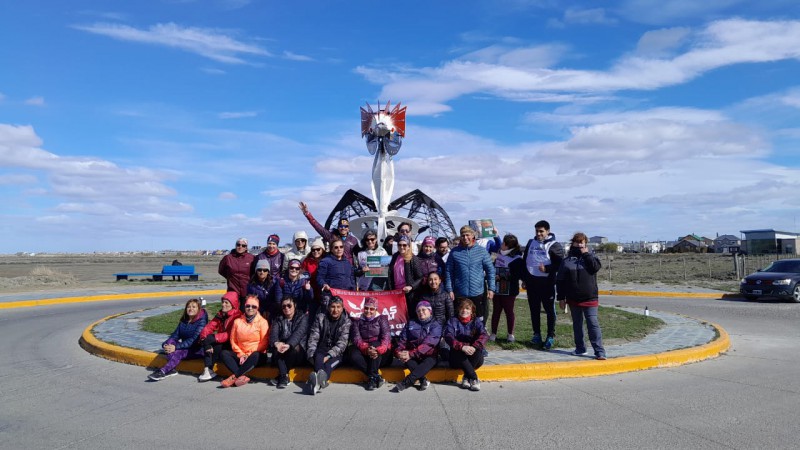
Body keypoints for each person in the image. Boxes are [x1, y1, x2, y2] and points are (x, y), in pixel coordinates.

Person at [557, 232, 606, 360]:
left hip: (590, 298)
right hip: (573, 299)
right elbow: (560, 281)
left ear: (585, 243)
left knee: (593, 323)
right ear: (572, 243)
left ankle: (599, 351)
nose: (580, 244)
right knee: (577, 325)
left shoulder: (591, 257)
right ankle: (580, 348)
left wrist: (586, 254)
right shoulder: (566, 261)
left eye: (582, 242)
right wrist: (561, 298)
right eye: (577, 242)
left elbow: (595, 268)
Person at [522, 220, 565, 350]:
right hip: (532, 282)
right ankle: (536, 334)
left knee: (549, 311)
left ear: (548, 231)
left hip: (547, 283)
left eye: (541, 231)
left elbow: (560, 264)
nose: (539, 233)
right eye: (537, 231)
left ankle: (550, 336)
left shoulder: (555, 245)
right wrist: (524, 278)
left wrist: (547, 269)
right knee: (534, 310)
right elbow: (525, 261)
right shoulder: (531, 243)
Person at [445, 225, 495, 323]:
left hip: (478, 292)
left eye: (467, 235)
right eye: (463, 235)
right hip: (460, 292)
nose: (465, 238)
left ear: (473, 236)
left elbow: (490, 270)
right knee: (461, 316)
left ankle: (479, 335)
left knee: (479, 317)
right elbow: (448, 271)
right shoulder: (454, 252)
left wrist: (491, 288)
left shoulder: (481, 251)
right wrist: (449, 289)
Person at [149, 299, 208, 381]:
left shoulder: (202, 322)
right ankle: (171, 369)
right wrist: (165, 344)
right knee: (170, 342)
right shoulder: (184, 320)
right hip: (185, 346)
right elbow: (175, 335)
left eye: (194, 307)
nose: (191, 309)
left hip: (197, 349)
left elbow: (193, 340)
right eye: (189, 307)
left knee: (178, 352)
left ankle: (162, 371)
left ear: (199, 309)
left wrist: (175, 347)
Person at [219, 295, 269, 388]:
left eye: (254, 306)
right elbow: (233, 340)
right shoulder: (237, 321)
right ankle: (241, 377)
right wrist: (241, 354)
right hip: (241, 356)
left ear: (257, 308)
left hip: (255, 356)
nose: (250, 308)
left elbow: (264, 343)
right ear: (244, 306)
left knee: (256, 355)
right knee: (224, 353)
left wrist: (248, 355)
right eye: (248, 306)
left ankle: (234, 376)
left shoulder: (263, 322)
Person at [392, 301, 442, 392]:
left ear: (430, 311)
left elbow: (428, 344)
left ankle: (407, 382)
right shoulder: (411, 323)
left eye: (423, 310)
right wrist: (399, 352)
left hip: (429, 355)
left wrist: (410, 354)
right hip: (413, 355)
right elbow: (403, 339)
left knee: (427, 362)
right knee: (406, 360)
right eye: (418, 311)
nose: (421, 312)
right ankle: (423, 380)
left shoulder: (436, 325)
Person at [306, 296, 351, 395]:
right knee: (317, 357)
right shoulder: (320, 318)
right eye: (333, 307)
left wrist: (329, 356)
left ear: (342, 308)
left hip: (337, 354)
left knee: (328, 365)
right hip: (321, 349)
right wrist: (311, 355)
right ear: (328, 307)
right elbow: (313, 338)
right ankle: (320, 382)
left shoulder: (346, 321)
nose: (335, 310)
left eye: (338, 307)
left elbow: (342, 344)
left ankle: (316, 382)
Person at [347, 296, 392, 391]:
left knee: (375, 344)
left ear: (376, 309)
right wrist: (367, 349)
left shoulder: (382, 319)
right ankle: (374, 376)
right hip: (365, 353)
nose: (368, 311)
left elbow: (386, 337)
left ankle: (371, 378)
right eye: (366, 308)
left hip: (380, 354)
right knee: (352, 353)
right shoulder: (357, 322)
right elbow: (357, 339)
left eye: (372, 309)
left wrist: (378, 350)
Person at [445, 298, 489, 391]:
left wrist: (474, 346)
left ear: (472, 310)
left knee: (478, 350)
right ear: (458, 309)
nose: (464, 310)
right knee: (457, 352)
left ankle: (466, 377)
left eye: (467, 308)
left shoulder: (476, 321)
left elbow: (484, 335)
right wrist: (462, 347)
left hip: (473, 356)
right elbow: (449, 336)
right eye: (462, 308)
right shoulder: (452, 321)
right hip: (457, 358)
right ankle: (474, 378)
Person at [197, 292, 242, 382]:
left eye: (226, 303)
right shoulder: (221, 314)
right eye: (223, 302)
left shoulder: (238, 316)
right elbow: (209, 327)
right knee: (208, 342)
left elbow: (231, 334)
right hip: (222, 340)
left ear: (233, 304)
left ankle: (209, 368)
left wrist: (214, 338)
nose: (223, 304)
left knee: (216, 345)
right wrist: (205, 339)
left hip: (233, 343)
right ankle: (208, 369)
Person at [489, 234, 526, 343]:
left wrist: (502, 276)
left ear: (506, 245)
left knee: (509, 312)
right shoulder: (499, 254)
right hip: (497, 288)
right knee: (496, 311)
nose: (501, 245)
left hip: (509, 290)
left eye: (502, 243)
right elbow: (494, 265)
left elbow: (516, 275)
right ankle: (493, 333)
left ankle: (510, 334)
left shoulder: (517, 258)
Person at [269, 296, 310, 388]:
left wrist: (288, 345)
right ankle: (284, 376)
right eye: (284, 306)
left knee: (293, 347)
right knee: (277, 348)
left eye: (289, 305)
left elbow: (299, 333)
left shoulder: (303, 317)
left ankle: (281, 375)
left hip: (298, 353)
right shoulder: (278, 319)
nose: (286, 308)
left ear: (294, 305)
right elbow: (273, 334)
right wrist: (276, 343)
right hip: (282, 352)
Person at [415, 271, 454, 359]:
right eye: (430, 280)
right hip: (428, 329)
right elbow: (420, 315)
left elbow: (451, 316)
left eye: (435, 279)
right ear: (428, 281)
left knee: (445, 356)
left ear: (440, 280)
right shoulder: (423, 296)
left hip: (442, 328)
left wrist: (445, 332)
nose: (433, 282)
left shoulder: (445, 296)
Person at [388, 235, 424, 317]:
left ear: (408, 246)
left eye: (404, 245)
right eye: (399, 245)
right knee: (398, 317)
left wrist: (411, 286)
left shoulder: (413, 259)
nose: (402, 247)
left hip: (408, 294)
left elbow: (420, 277)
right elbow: (390, 274)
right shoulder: (395, 257)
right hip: (396, 293)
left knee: (409, 316)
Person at [317, 237, 357, 306]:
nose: (339, 249)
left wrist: (353, 290)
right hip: (331, 296)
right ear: (331, 249)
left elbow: (352, 278)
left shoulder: (347, 262)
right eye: (336, 247)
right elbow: (319, 278)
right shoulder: (325, 261)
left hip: (347, 296)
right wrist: (324, 284)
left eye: (341, 247)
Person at [218, 237, 255, 302]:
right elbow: (221, 270)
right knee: (233, 311)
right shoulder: (228, 258)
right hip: (233, 291)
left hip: (247, 291)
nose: (240, 247)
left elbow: (255, 272)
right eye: (238, 245)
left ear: (246, 247)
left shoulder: (251, 258)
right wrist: (230, 277)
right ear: (235, 246)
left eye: (243, 245)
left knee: (245, 311)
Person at [302, 238, 326, 317]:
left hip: (323, 291)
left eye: (318, 249)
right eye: (313, 250)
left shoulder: (327, 260)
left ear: (322, 249)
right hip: (311, 292)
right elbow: (302, 274)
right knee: (312, 315)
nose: (315, 251)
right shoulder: (307, 261)